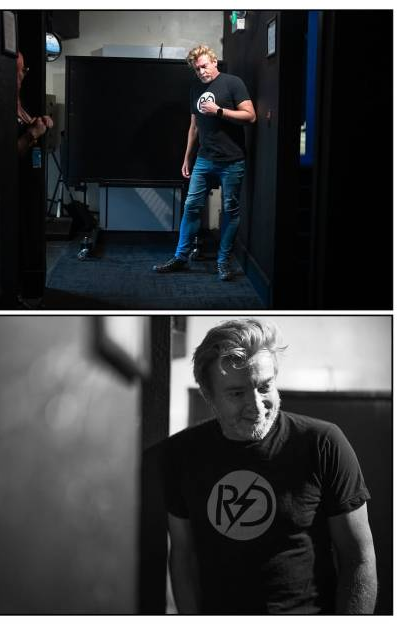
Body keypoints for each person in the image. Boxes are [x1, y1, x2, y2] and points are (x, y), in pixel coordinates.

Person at [163, 318, 377, 614]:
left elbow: (358, 558)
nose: (256, 404)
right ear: (209, 396)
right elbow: (183, 558)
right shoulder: (180, 453)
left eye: (265, 387)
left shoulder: (324, 443)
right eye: (237, 393)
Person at [153, 45, 256, 281]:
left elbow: (250, 116)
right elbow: (194, 126)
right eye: (196, 69)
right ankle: (181, 258)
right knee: (191, 207)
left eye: (203, 66)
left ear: (214, 62)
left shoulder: (233, 83)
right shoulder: (196, 88)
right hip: (204, 159)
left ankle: (223, 262)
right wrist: (187, 156)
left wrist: (219, 111)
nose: (201, 72)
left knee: (230, 210)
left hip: (232, 160)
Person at [16, 52, 53, 156]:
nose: (23, 75)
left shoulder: (21, 100)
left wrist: (42, 124)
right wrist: (32, 134)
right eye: (22, 70)